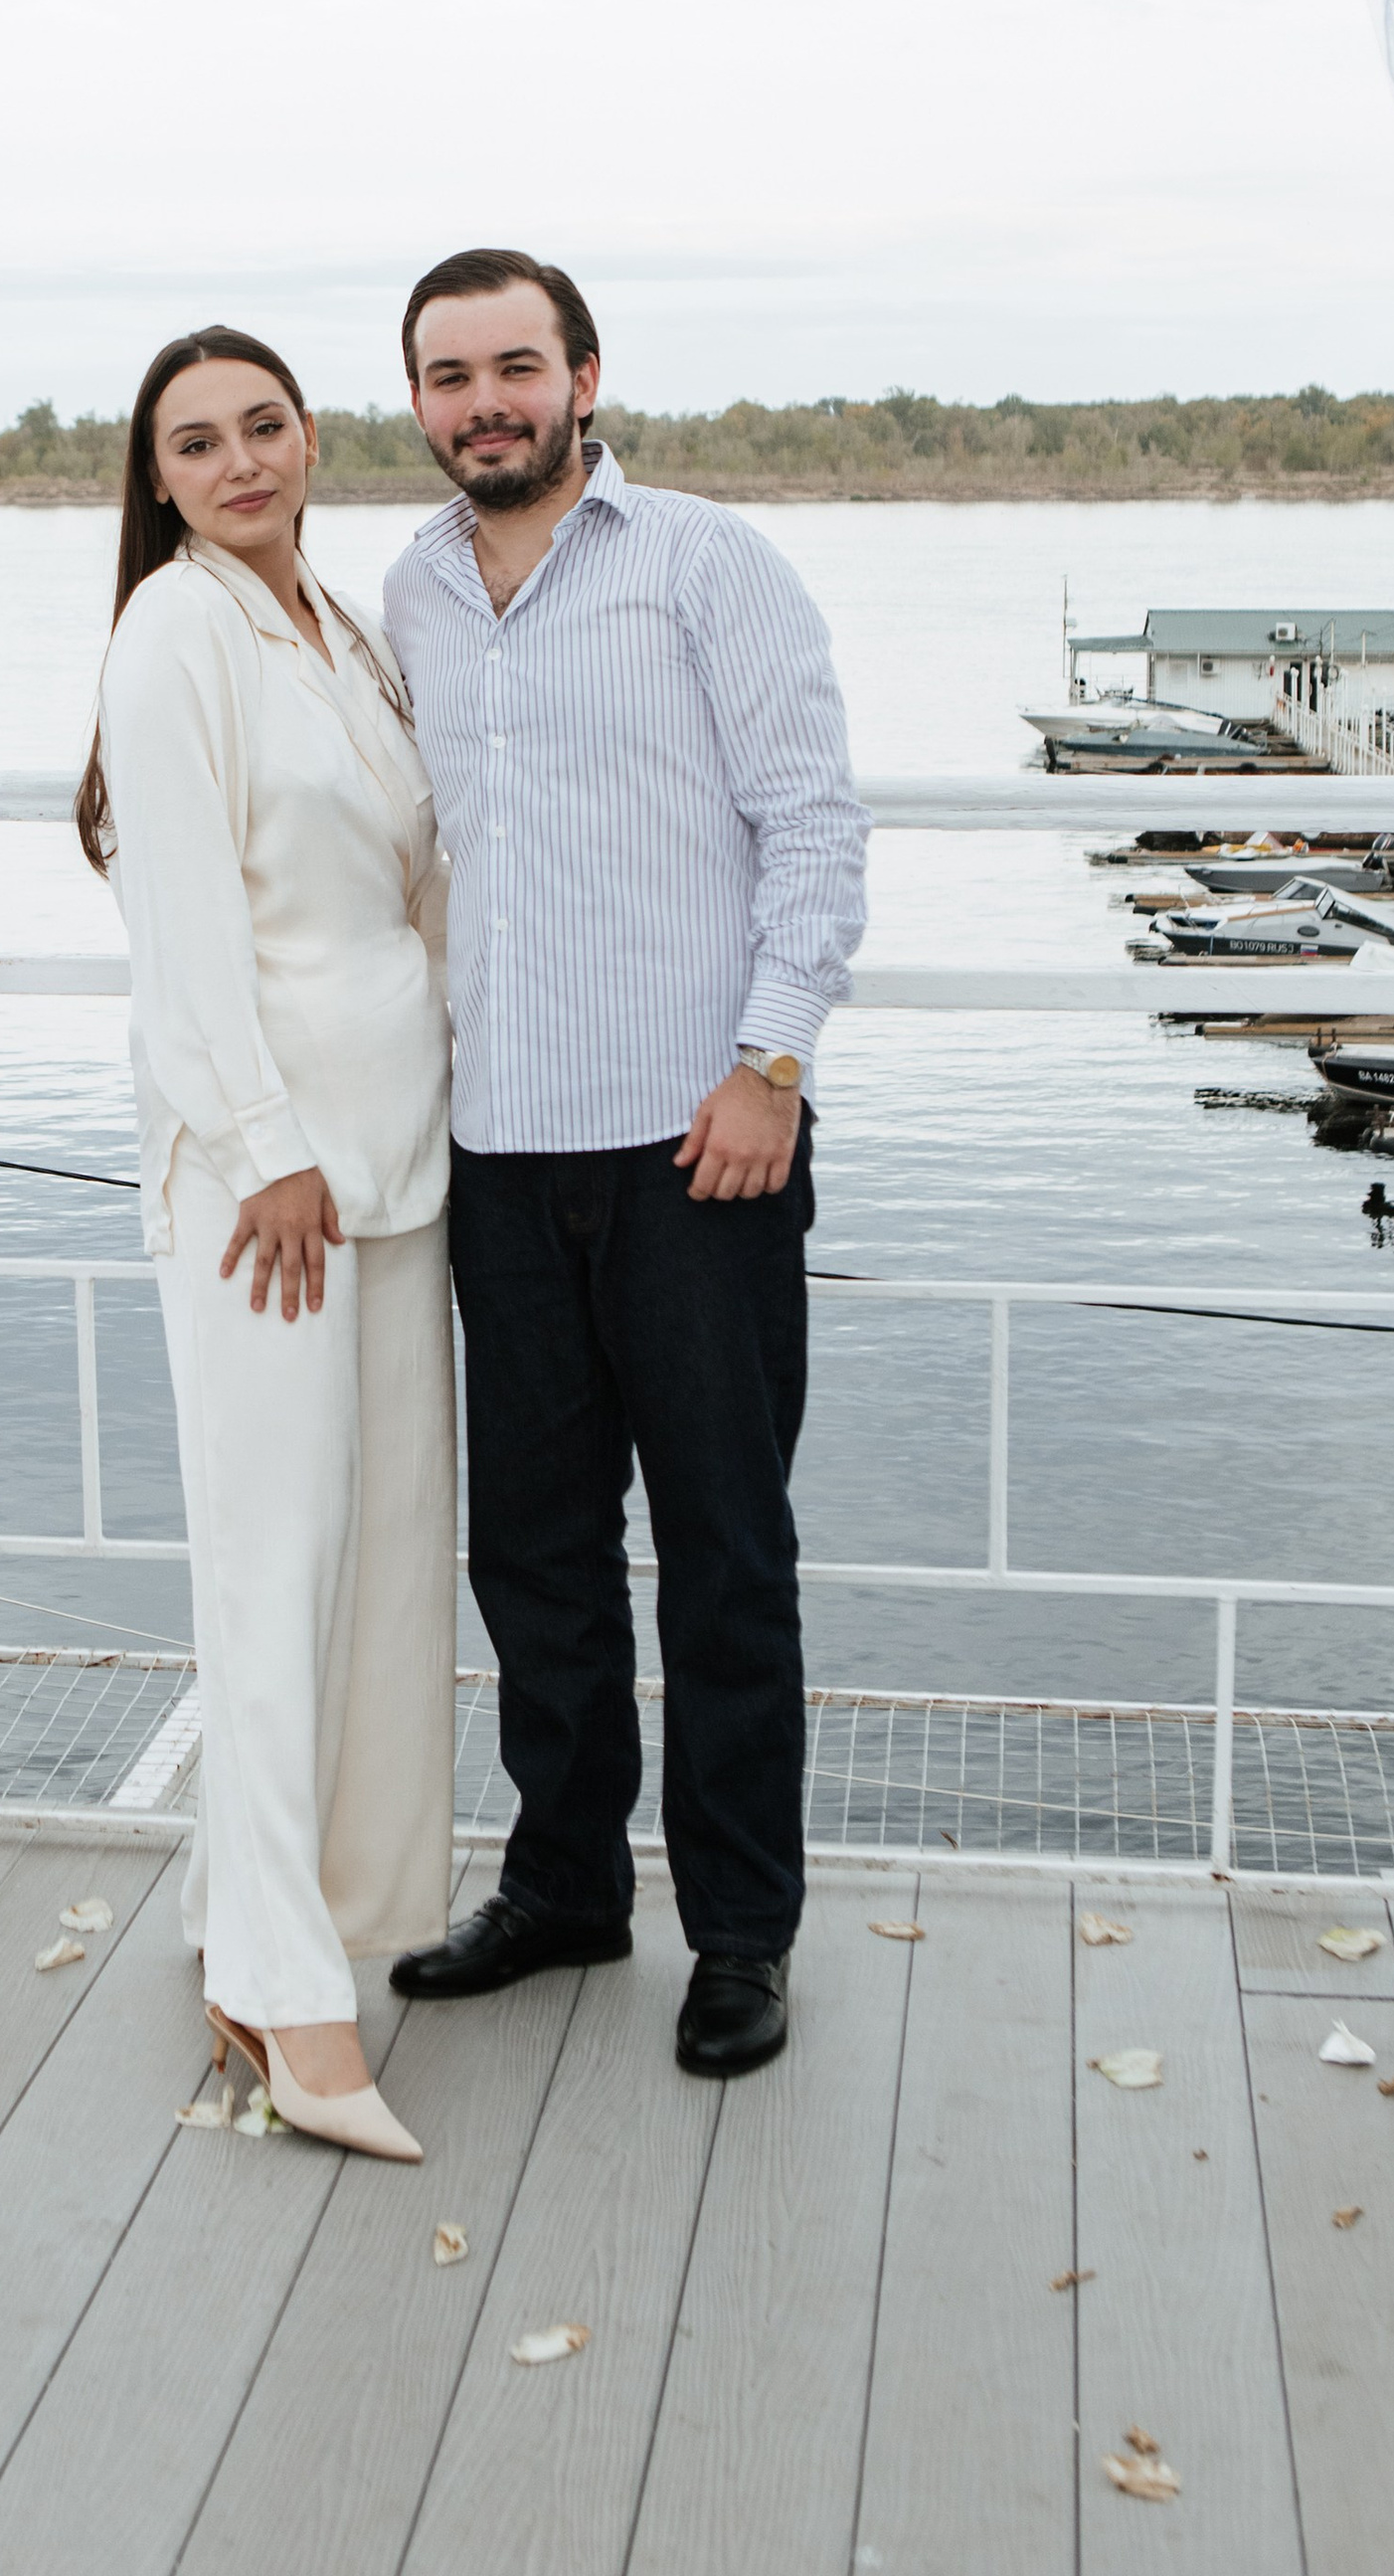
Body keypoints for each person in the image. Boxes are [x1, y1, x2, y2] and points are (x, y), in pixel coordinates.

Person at [380, 248, 867, 2078]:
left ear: (583, 376)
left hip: (696, 1151)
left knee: (726, 1556)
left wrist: (772, 1063)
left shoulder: (702, 561)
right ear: (418, 402)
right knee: (538, 1556)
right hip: (499, 1151)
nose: (485, 404)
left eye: (516, 366)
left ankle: (741, 1934)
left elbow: (812, 825)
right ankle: (566, 1887)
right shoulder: (413, 589)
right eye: (450, 377)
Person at [79, 325, 456, 2158]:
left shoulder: (347, 630)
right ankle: (293, 2011)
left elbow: (412, 894)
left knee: (381, 1566)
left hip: (403, 1162)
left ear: (312, 439)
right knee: (270, 1569)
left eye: (264, 426)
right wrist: (260, 1150)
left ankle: (277, 1912)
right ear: (158, 479)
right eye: (197, 442)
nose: (239, 461)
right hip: (270, 1188)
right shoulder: (176, 633)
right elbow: (182, 932)